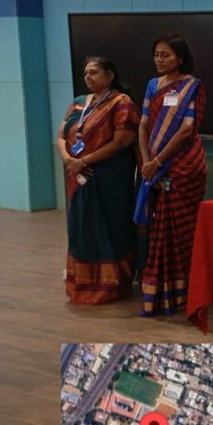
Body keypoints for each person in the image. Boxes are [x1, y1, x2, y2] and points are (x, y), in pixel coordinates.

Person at [56, 57, 140, 304]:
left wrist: (84, 160)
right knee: (81, 227)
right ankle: (82, 284)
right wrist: (68, 160)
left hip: (109, 177)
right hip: (77, 175)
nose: (88, 77)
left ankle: (112, 285)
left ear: (110, 75)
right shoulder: (78, 102)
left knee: (110, 227)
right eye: (86, 73)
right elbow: (61, 136)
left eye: (94, 72)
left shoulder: (121, 102)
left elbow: (121, 142)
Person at [135, 34, 206, 316]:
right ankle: (160, 293)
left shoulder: (192, 86)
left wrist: (158, 161)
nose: (160, 60)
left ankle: (186, 292)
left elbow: (187, 129)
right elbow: (143, 125)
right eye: (156, 55)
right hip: (153, 167)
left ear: (180, 57)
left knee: (181, 233)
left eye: (165, 55)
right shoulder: (153, 85)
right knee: (158, 231)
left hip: (183, 168)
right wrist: (146, 160)